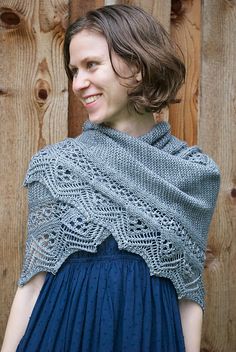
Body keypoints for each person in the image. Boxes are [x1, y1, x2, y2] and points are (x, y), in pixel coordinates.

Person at [1, 4, 220, 352]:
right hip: (60, 338)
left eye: (91, 65)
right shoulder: (57, 167)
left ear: (138, 64)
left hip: (147, 339)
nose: (78, 83)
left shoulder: (194, 175)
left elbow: (189, 296)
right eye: (74, 70)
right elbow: (32, 283)